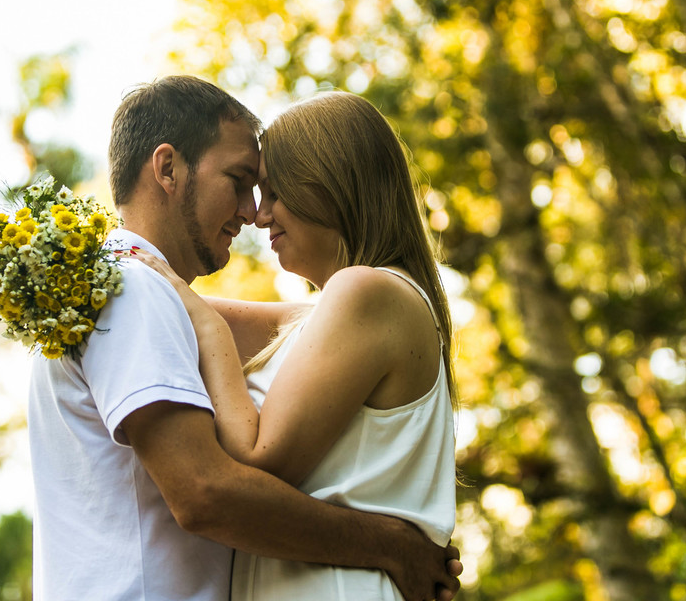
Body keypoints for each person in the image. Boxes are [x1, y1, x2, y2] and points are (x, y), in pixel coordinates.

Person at [28, 76, 462, 601]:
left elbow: (242, 449)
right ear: (167, 169)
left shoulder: (364, 297)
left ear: (331, 183)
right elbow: (207, 494)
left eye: (273, 191)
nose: (254, 213)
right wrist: (391, 544)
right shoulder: (131, 288)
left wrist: (100, 278)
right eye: (242, 181)